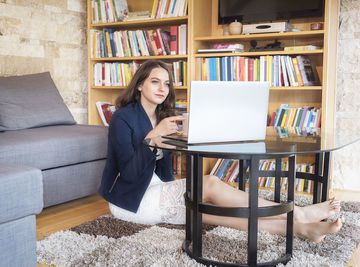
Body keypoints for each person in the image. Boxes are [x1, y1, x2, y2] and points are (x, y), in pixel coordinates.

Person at [98, 59, 343, 243]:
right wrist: (154, 137)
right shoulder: (123, 118)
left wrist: (183, 191)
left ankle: (301, 228)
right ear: (140, 85)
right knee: (212, 184)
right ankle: (299, 213)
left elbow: (163, 173)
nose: (162, 87)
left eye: (167, 83)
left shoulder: (164, 118)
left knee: (210, 213)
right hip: (129, 199)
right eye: (155, 81)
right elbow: (129, 174)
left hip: (154, 190)